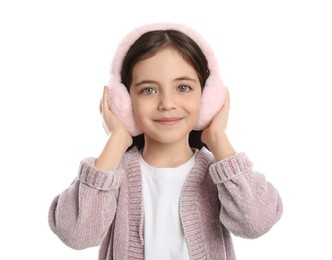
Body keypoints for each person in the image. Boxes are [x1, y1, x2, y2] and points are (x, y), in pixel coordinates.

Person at [48, 23, 283, 260]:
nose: (167, 103)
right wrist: (117, 140)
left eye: (183, 87)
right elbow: (76, 235)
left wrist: (217, 138)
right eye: (148, 90)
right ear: (125, 102)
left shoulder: (219, 175)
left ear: (209, 97)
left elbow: (257, 223)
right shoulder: (112, 175)